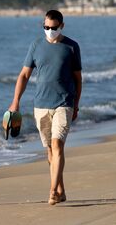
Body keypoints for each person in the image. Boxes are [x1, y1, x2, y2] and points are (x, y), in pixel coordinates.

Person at [9, 10, 82, 205]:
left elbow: (78, 79)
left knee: (57, 145)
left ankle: (52, 192)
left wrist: (76, 105)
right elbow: (24, 75)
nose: (49, 31)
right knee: (50, 150)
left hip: (64, 103)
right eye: (46, 27)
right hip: (41, 104)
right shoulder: (36, 45)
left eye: (53, 28)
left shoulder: (72, 47)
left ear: (62, 26)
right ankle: (61, 189)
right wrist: (15, 101)